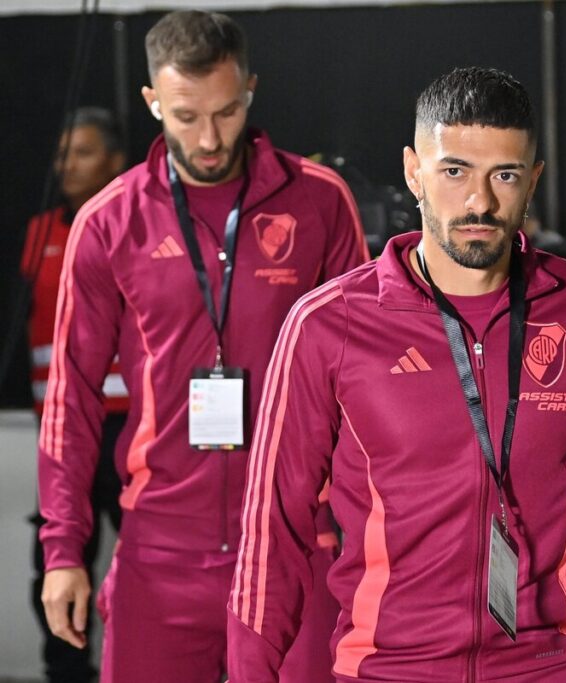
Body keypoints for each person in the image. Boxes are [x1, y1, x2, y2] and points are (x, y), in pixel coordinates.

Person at [227, 66, 566, 683]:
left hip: (548, 666)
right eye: (454, 171)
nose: (479, 201)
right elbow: (274, 523)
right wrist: (250, 673)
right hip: (390, 668)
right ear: (414, 171)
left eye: (504, 175)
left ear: (533, 180)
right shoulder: (329, 324)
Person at [37, 11, 368, 683]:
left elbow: (364, 384)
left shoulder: (318, 202)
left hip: (296, 543)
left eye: (226, 111)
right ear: (153, 102)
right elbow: (71, 396)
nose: (210, 139)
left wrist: (367, 540)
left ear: (249, 88)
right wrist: (63, 549)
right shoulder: (110, 221)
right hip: (160, 549)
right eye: (186, 117)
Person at [22, 107, 126, 683]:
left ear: (114, 161)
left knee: (146, 557)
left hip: (133, 425)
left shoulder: (135, 227)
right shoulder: (38, 232)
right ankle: (66, 672)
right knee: (57, 558)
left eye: (82, 152)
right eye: (63, 154)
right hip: (61, 428)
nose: (67, 165)